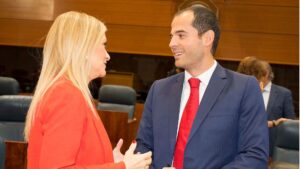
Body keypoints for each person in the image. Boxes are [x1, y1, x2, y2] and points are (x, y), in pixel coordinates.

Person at [136, 5, 268, 169]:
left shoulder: (244, 88)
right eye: (171, 36)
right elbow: (143, 147)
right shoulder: (159, 89)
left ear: (207, 38)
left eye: (181, 35)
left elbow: (254, 156)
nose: (171, 43)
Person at [24, 11, 152, 169]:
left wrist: (108, 159)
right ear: (83, 49)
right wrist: (123, 167)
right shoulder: (66, 94)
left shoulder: (68, 90)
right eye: (103, 45)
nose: (108, 56)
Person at [237, 57, 296, 157]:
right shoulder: (243, 91)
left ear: (266, 74)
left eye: (257, 75)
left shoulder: (283, 93)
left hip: (272, 150)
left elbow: (290, 124)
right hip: (244, 147)